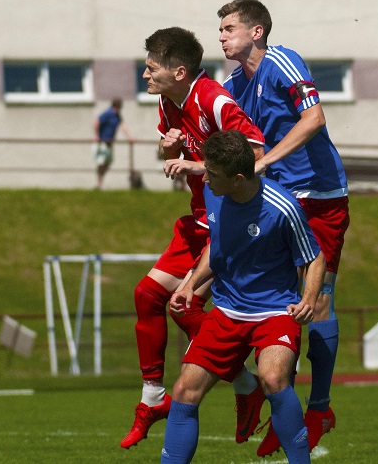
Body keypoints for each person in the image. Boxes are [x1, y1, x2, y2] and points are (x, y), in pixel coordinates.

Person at [121, 27, 266, 449]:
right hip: (200, 220)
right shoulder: (169, 101)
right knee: (147, 295)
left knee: (182, 306)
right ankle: (153, 397)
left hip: (232, 223)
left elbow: (256, 153)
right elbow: (177, 159)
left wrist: (198, 165)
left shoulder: (214, 100)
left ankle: (249, 385)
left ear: (179, 71)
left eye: (151, 68)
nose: (145, 76)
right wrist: (172, 150)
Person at [216, 0, 350, 455]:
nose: (221, 36)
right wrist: (176, 143)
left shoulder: (282, 61)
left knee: (319, 298)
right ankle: (282, 406)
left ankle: (320, 408)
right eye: (220, 29)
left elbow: (315, 118)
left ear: (256, 31)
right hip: (277, 200)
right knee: (279, 304)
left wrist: (265, 161)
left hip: (320, 195)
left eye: (229, 27)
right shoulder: (232, 85)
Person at [161, 130, 326, 464]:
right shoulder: (214, 194)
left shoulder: (283, 207)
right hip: (227, 311)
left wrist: (309, 298)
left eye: (212, 173)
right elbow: (217, 246)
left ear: (237, 179)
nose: (205, 178)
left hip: (275, 312)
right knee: (183, 391)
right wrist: (190, 285)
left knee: (273, 379)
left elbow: (315, 257)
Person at [93, 98, 134, 188]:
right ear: (116, 106)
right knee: (101, 163)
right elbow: (96, 122)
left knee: (108, 163)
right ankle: (98, 183)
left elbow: (122, 126)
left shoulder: (117, 115)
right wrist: (96, 136)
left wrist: (129, 137)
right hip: (102, 142)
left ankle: (100, 181)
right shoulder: (108, 113)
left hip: (109, 143)